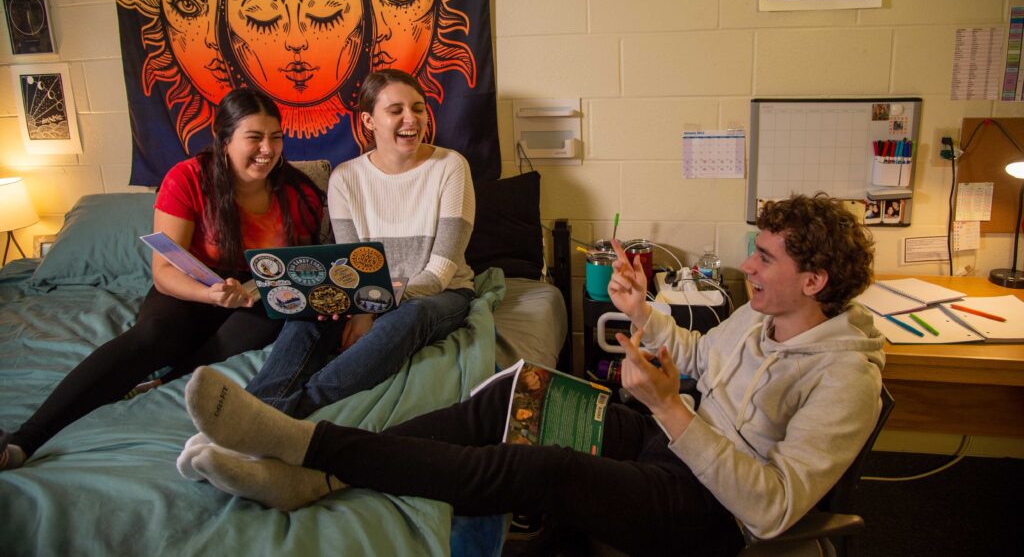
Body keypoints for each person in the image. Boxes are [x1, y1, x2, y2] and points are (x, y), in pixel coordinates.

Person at [176, 194, 884, 556]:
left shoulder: (844, 378)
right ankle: (316, 474)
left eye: (765, 259)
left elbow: (772, 508)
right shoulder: (762, 319)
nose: (749, 267)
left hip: (708, 515)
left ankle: (307, 448)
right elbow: (699, 362)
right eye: (755, 252)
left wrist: (672, 411)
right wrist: (642, 313)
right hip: (668, 446)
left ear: (815, 279)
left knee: (539, 470)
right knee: (517, 390)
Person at [0, 89, 324, 471]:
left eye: (276, 137)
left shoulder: (298, 191)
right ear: (224, 138)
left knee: (273, 319)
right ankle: (25, 439)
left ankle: (165, 380)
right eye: (254, 137)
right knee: (152, 335)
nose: (268, 149)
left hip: (254, 297)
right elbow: (165, 270)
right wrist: (213, 295)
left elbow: (301, 267)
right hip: (192, 288)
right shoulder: (187, 178)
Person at [237, 68, 476, 420]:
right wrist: (359, 307)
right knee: (310, 313)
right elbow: (350, 263)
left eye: (418, 108)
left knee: (410, 317)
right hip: (368, 297)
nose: (411, 119)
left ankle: (294, 411)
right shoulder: (345, 178)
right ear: (368, 120)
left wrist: (371, 307)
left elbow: (439, 273)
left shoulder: (450, 166)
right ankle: (248, 412)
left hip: (440, 296)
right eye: (396, 110)